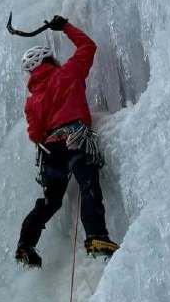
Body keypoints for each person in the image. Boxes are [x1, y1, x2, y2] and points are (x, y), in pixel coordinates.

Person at [15, 15, 119, 268]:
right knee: (87, 183)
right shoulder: (68, 73)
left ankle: (25, 245)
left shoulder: (32, 100)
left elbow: (34, 133)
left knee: (50, 201)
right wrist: (65, 27)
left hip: (50, 150)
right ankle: (96, 236)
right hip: (75, 138)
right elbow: (88, 47)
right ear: (49, 60)